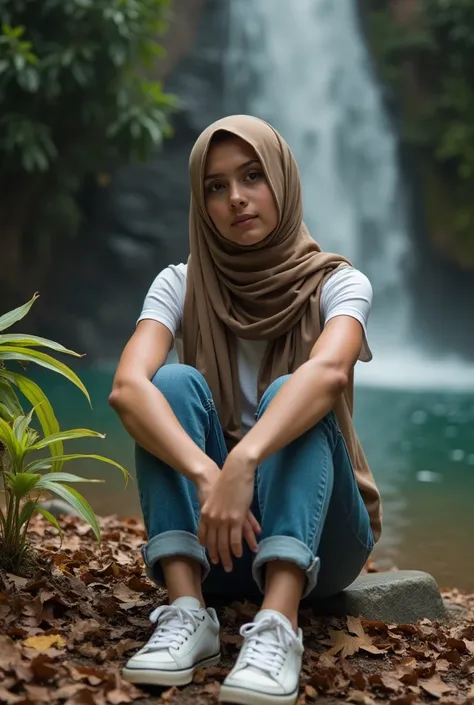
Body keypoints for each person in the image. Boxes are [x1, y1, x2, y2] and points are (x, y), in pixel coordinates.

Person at [109, 114, 382, 705]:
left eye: (253, 176)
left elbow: (331, 370)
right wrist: (212, 475)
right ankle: (187, 610)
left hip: (324, 542)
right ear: (200, 201)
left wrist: (246, 458)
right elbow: (128, 389)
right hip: (218, 534)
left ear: (282, 180)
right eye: (216, 185)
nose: (236, 198)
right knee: (171, 382)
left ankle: (280, 624)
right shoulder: (178, 284)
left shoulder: (340, 283)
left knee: (299, 389)